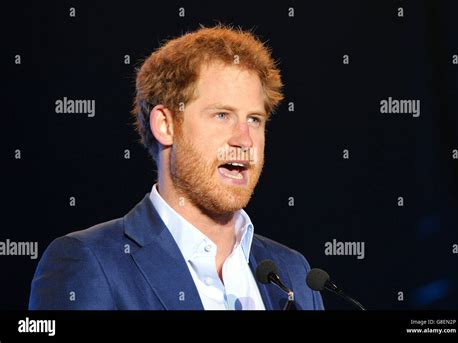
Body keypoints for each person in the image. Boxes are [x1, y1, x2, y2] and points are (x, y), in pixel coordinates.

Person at [29, 26, 324, 310]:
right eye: (222, 115)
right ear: (166, 125)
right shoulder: (89, 261)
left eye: (255, 120)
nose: (244, 140)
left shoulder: (294, 272)